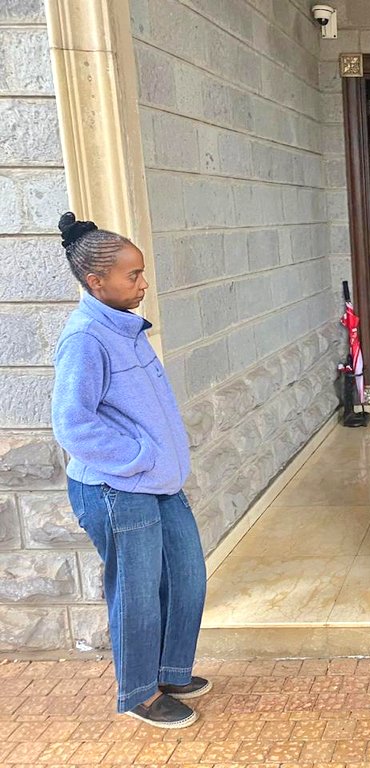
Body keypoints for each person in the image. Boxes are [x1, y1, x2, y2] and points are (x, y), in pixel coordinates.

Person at [51, 212, 208, 729]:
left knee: (185, 576)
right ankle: (140, 692)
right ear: (96, 282)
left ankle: (169, 670)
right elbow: (73, 424)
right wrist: (139, 458)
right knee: (137, 590)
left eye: (141, 273)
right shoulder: (86, 338)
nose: (143, 284)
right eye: (132, 275)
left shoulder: (125, 326)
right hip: (119, 487)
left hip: (158, 482)